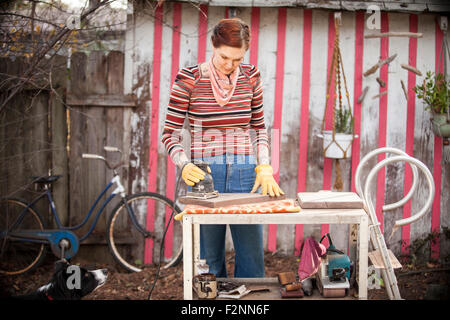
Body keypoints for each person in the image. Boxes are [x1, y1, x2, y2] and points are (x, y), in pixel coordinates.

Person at [161, 18, 283, 278]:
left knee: (251, 258)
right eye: (224, 57)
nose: (230, 65)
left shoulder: (251, 77)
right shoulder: (189, 79)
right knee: (208, 259)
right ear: (213, 46)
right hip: (205, 174)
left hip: (246, 173)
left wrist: (264, 165)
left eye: (237, 59)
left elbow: (259, 129)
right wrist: (184, 164)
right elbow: (169, 134)